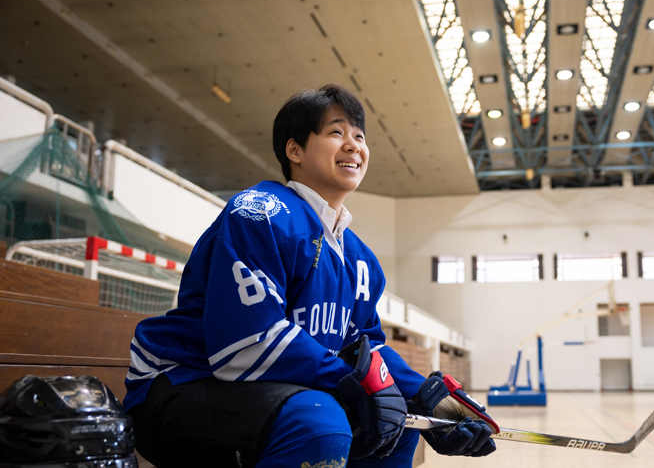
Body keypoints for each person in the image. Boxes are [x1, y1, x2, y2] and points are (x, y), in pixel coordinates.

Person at [124, 84, 497, 468]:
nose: (353, 145)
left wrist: (429, 396)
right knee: (320, 422)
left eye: (359, 136)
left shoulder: (360, 258)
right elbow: (246, 344)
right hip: (182, 384)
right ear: (295, 150)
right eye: (336, 132)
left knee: (396, 424)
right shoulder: (259, 212)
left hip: (266, 392)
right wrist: (353, 384)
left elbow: (364, 349)